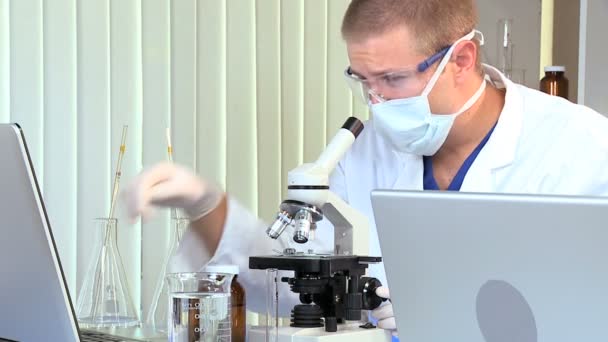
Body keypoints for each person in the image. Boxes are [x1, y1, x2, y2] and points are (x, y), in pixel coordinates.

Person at [124, 0, 608, 336]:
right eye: (364, 81)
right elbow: (286, 287)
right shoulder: (367, 150)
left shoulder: (579, 150)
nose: (376, 102)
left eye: (393, 79)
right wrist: (206, 204)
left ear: (460, 59)